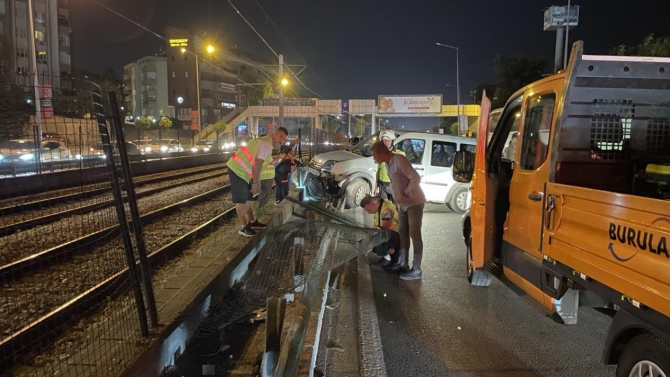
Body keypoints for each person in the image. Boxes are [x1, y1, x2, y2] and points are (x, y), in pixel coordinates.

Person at [371, 141, 425, 280]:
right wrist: (398, 200)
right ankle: (403, 263)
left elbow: (415, 178)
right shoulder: (388, 164)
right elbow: (396, 184)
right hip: (403, 204)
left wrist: (406, 192)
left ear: (382, 153)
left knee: (414, 234)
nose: (374, 158)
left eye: (374, 155)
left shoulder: (399, 160)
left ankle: (417, 269)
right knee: (402, 233)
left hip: (414, 202)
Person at [227, 127, 288, 237]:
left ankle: (252, 221)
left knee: (248, 197)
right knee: (241, 199)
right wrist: (255, 182)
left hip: (244, 171)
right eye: (280, 137)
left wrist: (280, 158)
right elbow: (258, 164)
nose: (281, 141)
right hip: (238, 169)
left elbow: (268, 162)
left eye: (284, 140)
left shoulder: (266, 144)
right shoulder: (266, 145)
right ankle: (243, 227)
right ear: (274, 134)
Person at [360, 195, 401, 269]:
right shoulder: (378, 209)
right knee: (373, 236)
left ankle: (387, 258)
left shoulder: (386, 210)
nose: (369, 213)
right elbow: (375, 227)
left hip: (398, 236)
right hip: (391, 234)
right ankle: (386, 255)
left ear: (373, 204)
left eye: (369, 210)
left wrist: (370, 244)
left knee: (379, 235)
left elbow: (384, 230)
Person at [376, 130, 405, 204]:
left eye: (388, 140)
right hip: (382, 185)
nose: (386, 143)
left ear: (392, 141)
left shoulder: (400, 153)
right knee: (384, 209)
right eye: (384, 141)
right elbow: (379, 169)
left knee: (396, 208)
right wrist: (376, 184)